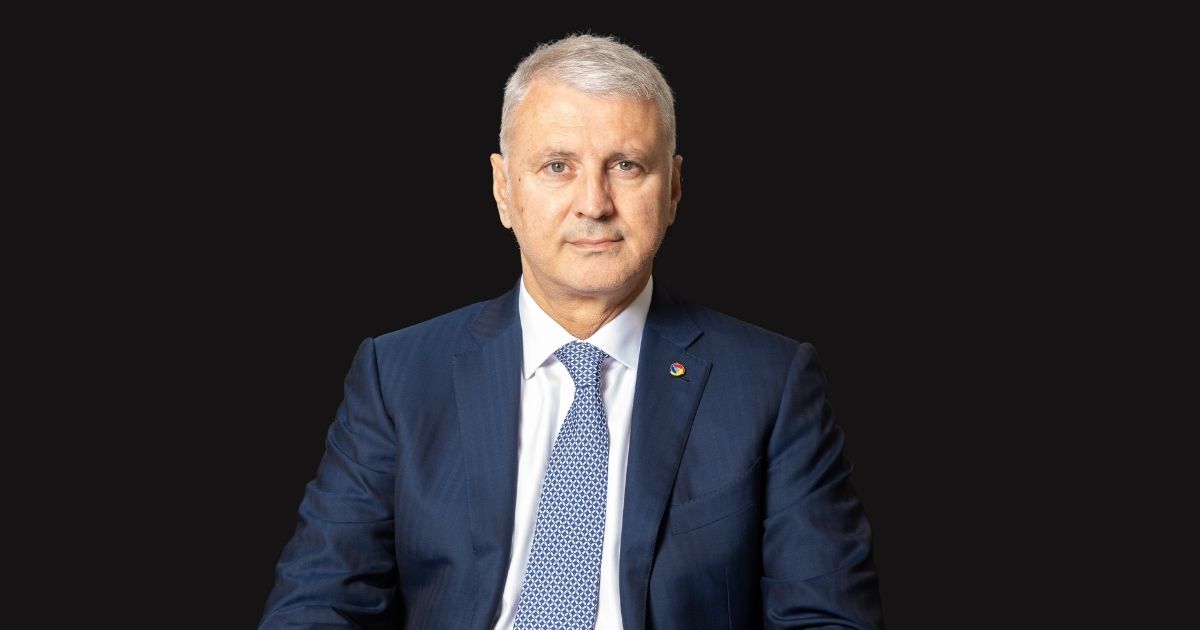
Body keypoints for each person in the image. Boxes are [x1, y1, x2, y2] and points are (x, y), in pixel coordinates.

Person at [260, 33, 883, 629]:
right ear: (504, 190)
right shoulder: (396, 376)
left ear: (673, 189)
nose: (594, 203)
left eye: (627, 166)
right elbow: (317, 606)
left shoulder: (770, 385)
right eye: (557, 166)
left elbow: (827, 618)